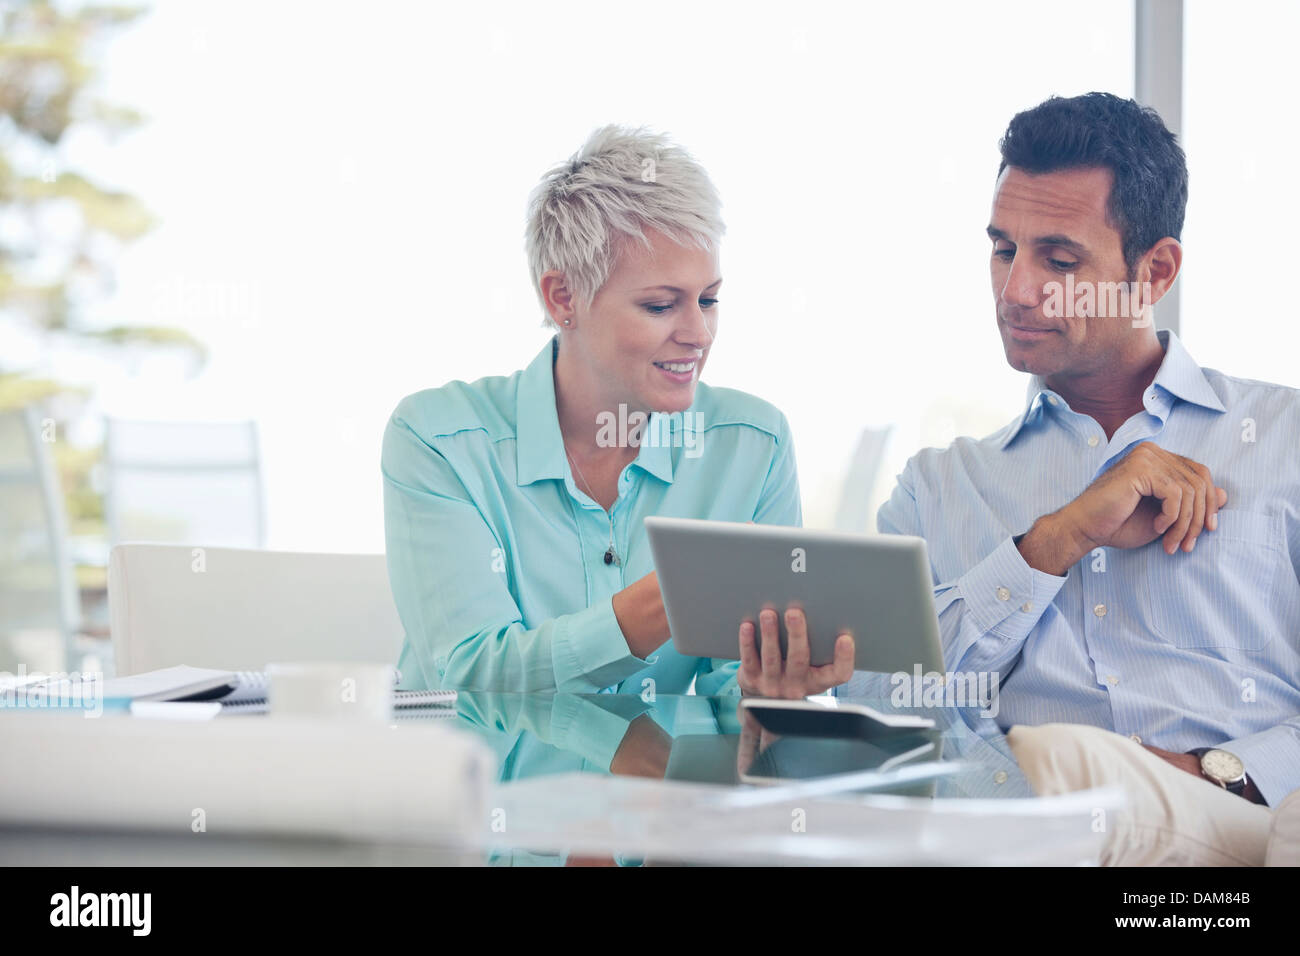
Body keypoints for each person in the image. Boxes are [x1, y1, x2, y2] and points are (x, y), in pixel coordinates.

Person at [869, 92, 1299, 865]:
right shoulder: (936, 488)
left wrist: (1221, 777)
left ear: (1154, 270)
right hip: (1030, 834)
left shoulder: (1286, 441)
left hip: (1252, 831)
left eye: (1059, 261)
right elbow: (883, 711)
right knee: (1058, 779)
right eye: (1004, 249)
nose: (1016, 291)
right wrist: (1052, 543)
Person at [382, 125, 852, 701]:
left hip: (675, 788)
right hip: (491, 788)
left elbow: (733, 694)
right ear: (563, 299)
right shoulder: (440, 440)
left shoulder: (754, 444)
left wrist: (766, 689)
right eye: (660, 305)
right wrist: (674, 594)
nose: (698, 334)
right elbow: (473, 675)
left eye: (709, 300)